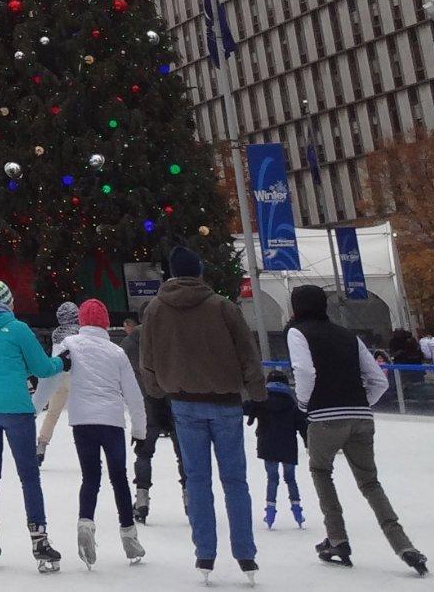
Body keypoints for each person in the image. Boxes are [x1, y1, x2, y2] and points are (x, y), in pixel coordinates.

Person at [139, 245, 265, 581]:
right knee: (235, 481)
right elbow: (247, 353)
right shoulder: (222, 306)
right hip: (224, 402)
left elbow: (146, 359)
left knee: (197, 482)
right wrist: (256, 394)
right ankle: (245, 554)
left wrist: (158, 392)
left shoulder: (155, 310)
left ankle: (205, 555)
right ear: (199, 272)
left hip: (183, 401)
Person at [288, 285, 427, 574]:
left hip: (325, 416)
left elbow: (304, 371)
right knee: (370, 482)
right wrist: (361, 404)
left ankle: (337, 538)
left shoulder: (297, 332)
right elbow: (379, 380)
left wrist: (304, 404)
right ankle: (404, 544)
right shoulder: (347, 335)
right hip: (361, 417)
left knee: (321, 472)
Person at [0, 278, 66, 571]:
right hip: (14, 407)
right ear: (7, 301)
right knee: (29, 476)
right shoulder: (18, 329)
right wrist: (64, 361)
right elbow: (42, 368)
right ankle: (39, 540)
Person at [57, 299, 147, 569]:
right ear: (106, 322)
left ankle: (86, 523)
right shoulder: (116, 352)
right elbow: (133, 393)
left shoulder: (70, 346)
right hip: (111, 421)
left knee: (90, 477)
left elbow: (52, 373)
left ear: (82, 321)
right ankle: (129, 535)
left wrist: (33, 408)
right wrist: (140, 430)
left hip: (83, 421)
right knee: (119, 477)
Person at [119, 312, 187, 524]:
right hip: (173, 399)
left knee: (144, 453)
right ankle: (190, 497)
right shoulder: (171, 336)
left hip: (144, 402)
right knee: (183, 452)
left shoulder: (129, 343)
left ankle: (141, 500)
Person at [251, 369, 304, 530]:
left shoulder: (262, 401)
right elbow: (302, 425)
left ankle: (270, 510)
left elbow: (248, 408)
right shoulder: (292, 404)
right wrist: (309, 442)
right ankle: (297, 510)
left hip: (268, 446)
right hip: (288, 446)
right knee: (290, 479)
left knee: (272, 479)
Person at [34, 301, 81, 464]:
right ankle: (87, 449)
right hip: (76, 377)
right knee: (81, 415)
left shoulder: (56, 333)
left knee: (52, 413)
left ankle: (42, 444)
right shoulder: (80, 332)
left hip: (57, 376)